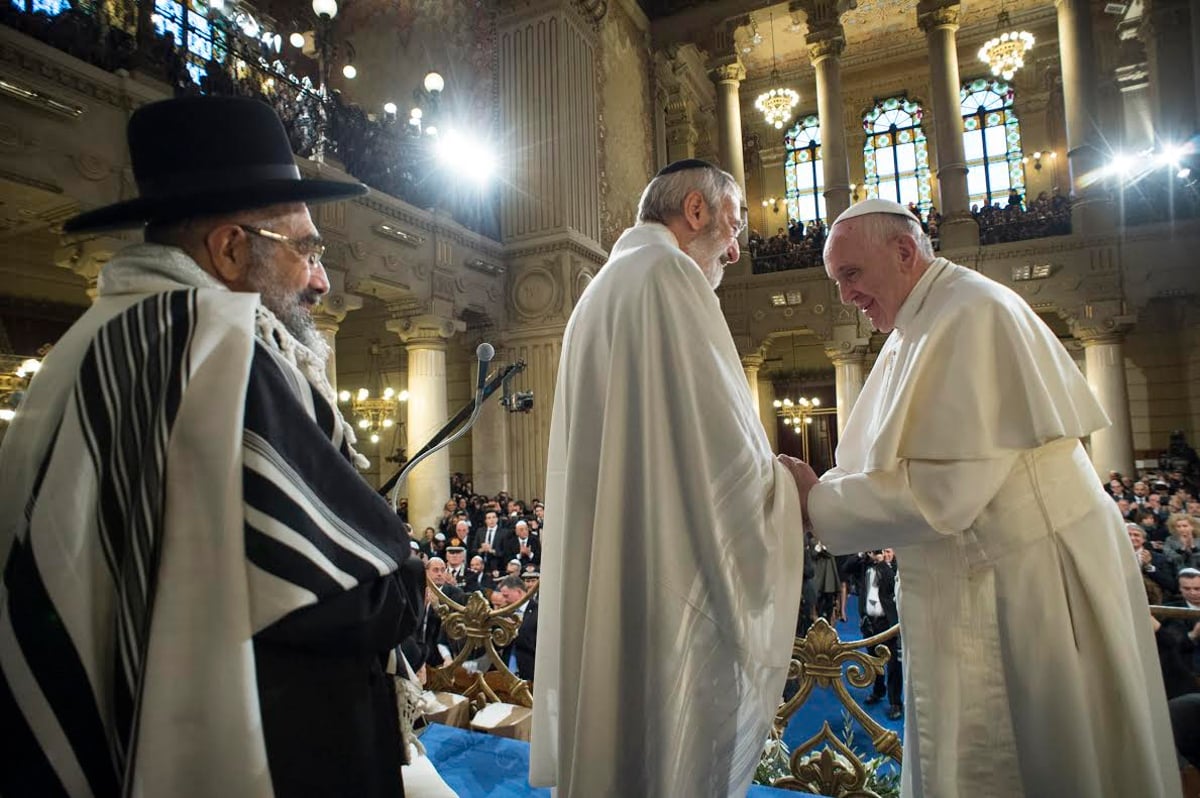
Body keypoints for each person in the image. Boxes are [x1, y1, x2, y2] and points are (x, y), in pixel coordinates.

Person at [0, 96, 423, 798]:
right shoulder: (216, 350)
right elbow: (344, 594)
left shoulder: (93, 340)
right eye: (306, 250)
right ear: (231, 249)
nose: (320, 279)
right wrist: (411, 578)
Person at [778, 197, 1179, 797]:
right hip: (970, 576)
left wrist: (816, 504)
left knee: (1036, 758)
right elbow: (875, 464)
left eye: (852, 275)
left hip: (1026, 579)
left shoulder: (971, 314)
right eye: (838, 281)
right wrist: (824, 491)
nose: (845, 296)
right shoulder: (917, 323)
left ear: (905, 252)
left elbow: (944, 495)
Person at [530, 159, 806, 797]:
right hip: (670, 587)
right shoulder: (672, 278)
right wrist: (788, 488)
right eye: (733, 225)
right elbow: (727, 454)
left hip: (617, 570)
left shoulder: (601, 291)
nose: (735, 250)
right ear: (696, 211)